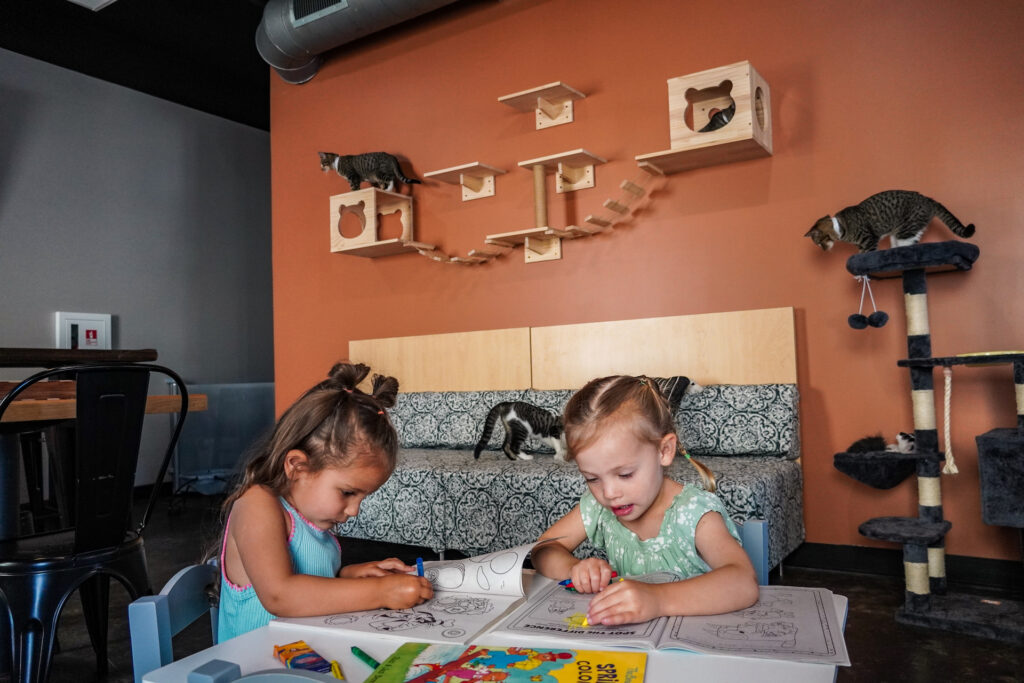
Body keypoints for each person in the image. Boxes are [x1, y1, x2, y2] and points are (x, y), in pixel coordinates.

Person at [215, 362, 432, 640]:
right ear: (297, 467)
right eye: (348, 493)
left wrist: (348, 576)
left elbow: (309, 580)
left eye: (363, 497)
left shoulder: (312, 519)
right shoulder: (257, 504)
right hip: (251, 662)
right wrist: (381, 591)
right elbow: (281, 595)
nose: (354, 510)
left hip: (304, 654)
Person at [532, 375, 758, 626]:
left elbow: (743, 582)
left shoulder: (694, 513)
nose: (609, 493)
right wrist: (575, 569)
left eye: (625, 474)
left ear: (664, 451)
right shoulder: (598, 508)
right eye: (592, 479)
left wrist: (657, 600)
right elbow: (542, 549)